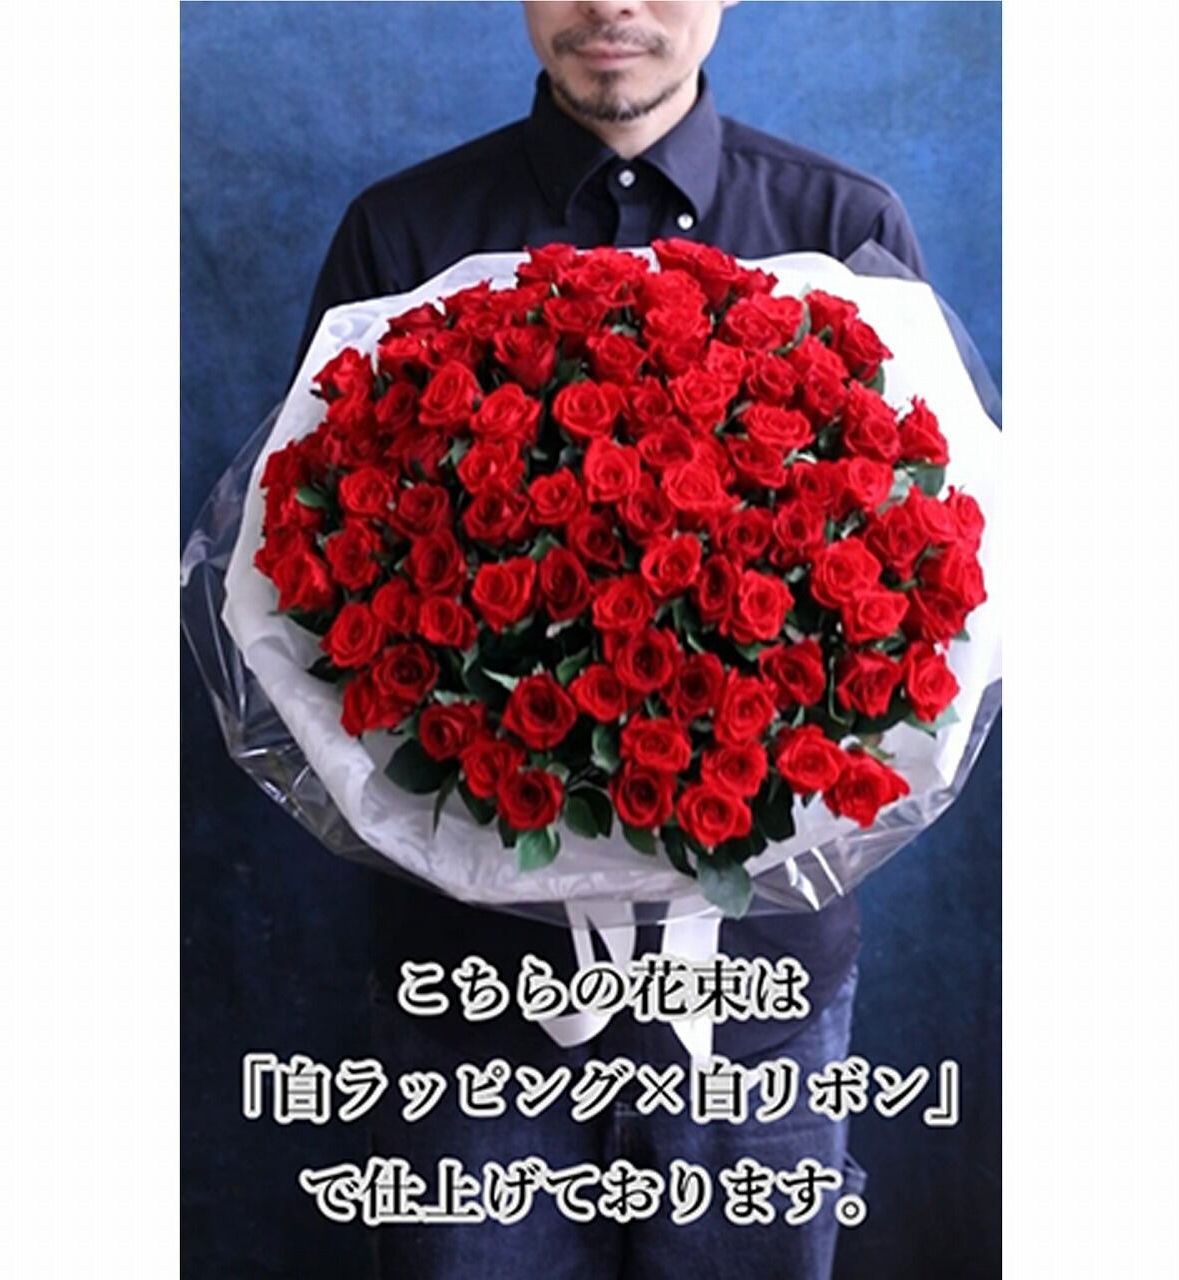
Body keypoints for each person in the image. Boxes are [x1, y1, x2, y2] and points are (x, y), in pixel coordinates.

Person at [292, 4, 927, 1276]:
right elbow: (307, 574)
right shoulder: (403, 233)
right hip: (471, 996)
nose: (613, 4)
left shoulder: (839, 226)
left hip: (758, 995)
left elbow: (927, 583)